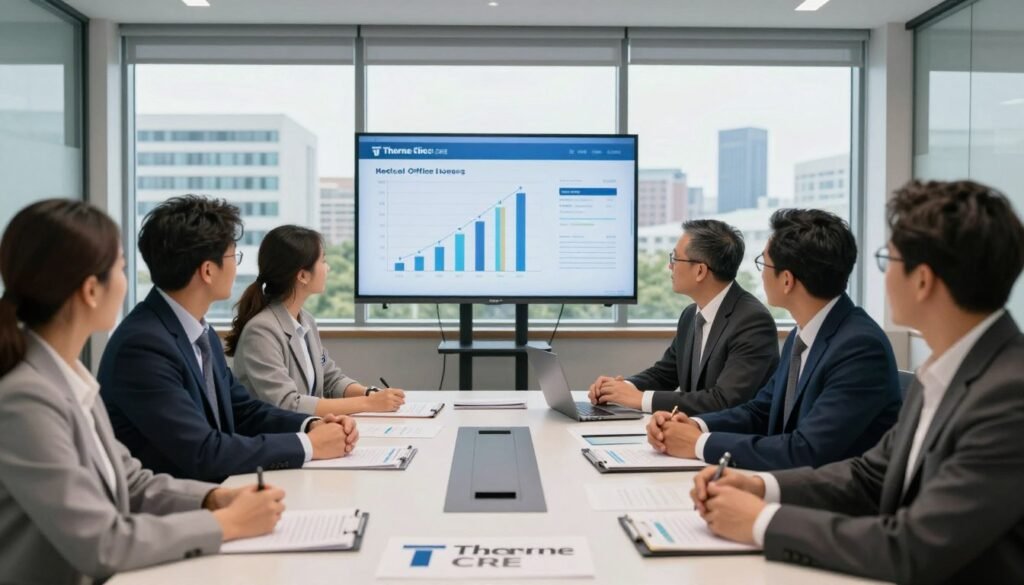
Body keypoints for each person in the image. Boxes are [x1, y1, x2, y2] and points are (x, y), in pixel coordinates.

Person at [689, 180, 1024, 583]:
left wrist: (763, 521)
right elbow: (869, 476)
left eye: (889, 260)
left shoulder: (1009, 395)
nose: (883, 276)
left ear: (922, 280)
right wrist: (760, 486)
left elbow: (913, 547)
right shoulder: (946, 370)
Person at [0, 200, 286, 584]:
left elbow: (131, 482)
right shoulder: (25, 399)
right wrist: (224, 524)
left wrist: (212, 499)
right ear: (90, 290)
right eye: (120, 268)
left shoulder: (68, 376)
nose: (127, 279)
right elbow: (103, 542)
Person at [98, 195, 358, 483]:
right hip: (179, 507)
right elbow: (203, 452)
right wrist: (310, 446)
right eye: (233, 255)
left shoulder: (199, 331)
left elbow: (243, 411)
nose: (236, 267)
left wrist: (311, 425)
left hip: (218, 490)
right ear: (208, 271)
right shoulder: (143, 347)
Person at [647, 209, 901, 471]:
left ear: (787, 280)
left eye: (764, 264)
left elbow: (805, 451)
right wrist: (695, 425)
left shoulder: (859, 348)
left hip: (830, 500)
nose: (760, 274)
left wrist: (700, 443)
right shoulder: (801, 336)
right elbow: (760, 410)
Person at [588, 219, 778, 414]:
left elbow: (724, 400)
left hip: (727, 439)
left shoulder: (752, 322)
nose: (670, 266)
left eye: (675, 259)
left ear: (700, 271)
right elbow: (664, 375)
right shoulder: (690, 315)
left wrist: (639, 399)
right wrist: (620, 388)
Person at [226, 225, 406, 415]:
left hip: (305, 432)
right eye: (323, 261)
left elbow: (331, 379)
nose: (328, 268)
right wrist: (369, 404)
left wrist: (370, 394)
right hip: (274, 439)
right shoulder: (261, 331)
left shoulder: (305, 321)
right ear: (302, 275)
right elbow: (288, 404)